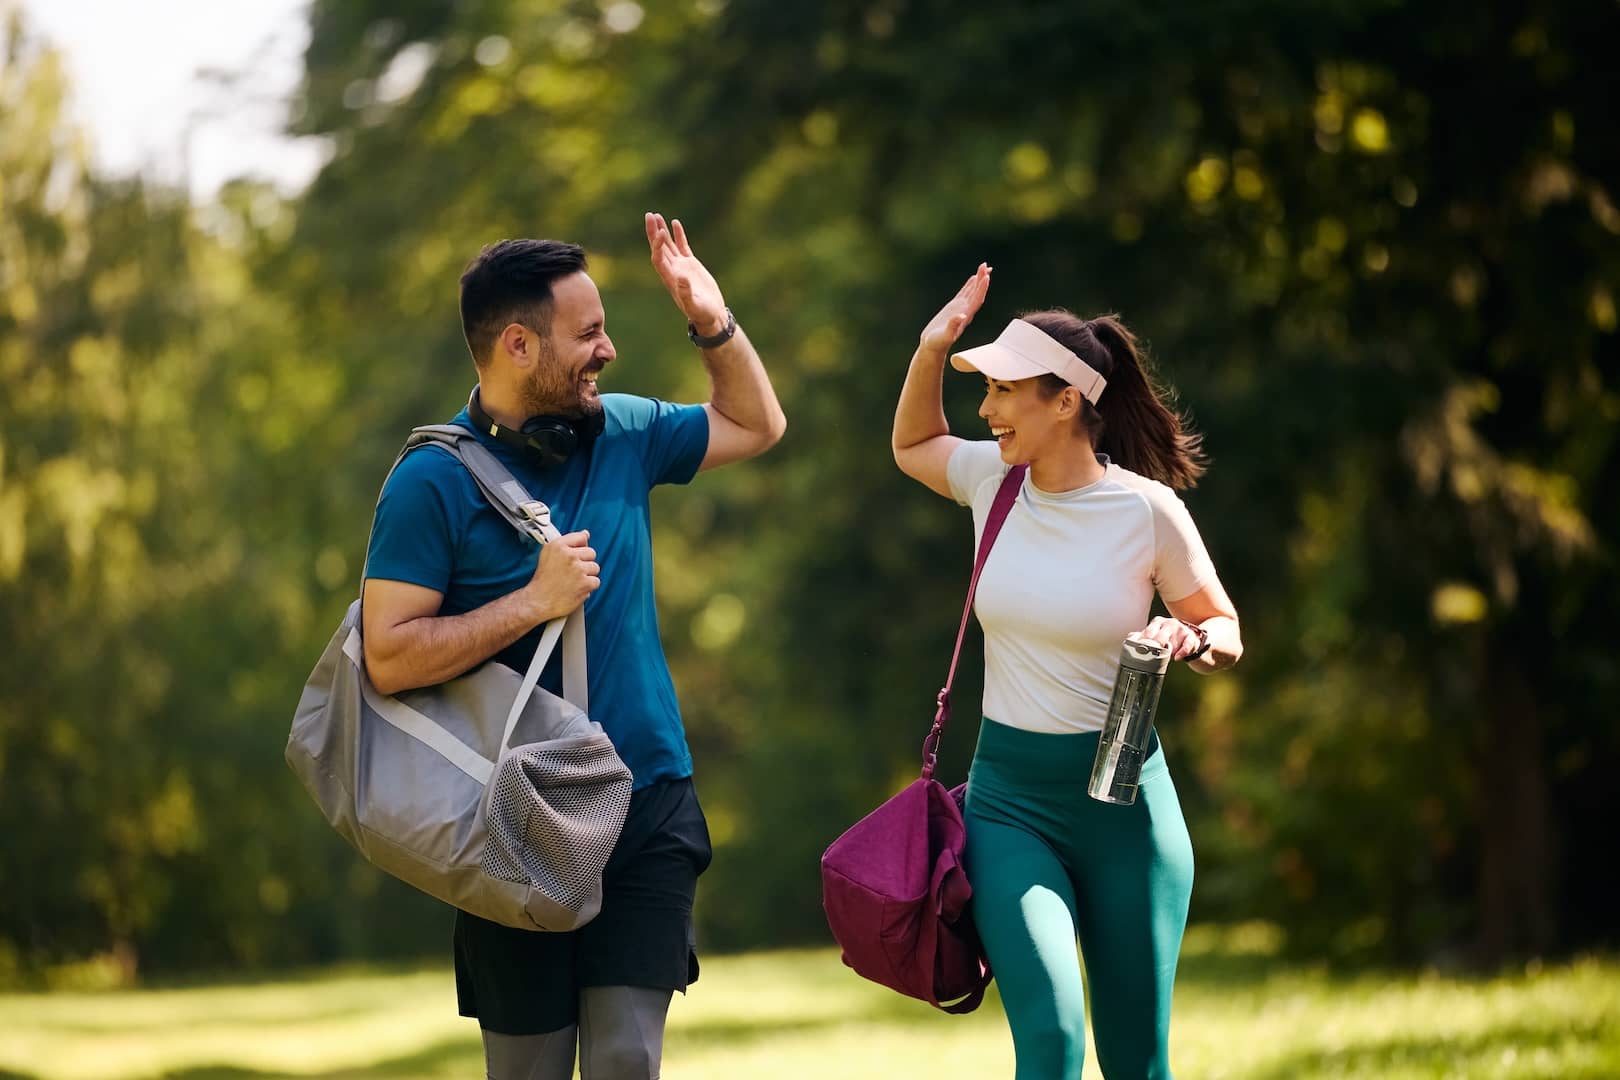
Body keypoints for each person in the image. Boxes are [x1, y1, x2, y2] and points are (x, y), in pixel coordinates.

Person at [360, 213, 785, 1079]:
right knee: (531, 1071)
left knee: (629, 1060)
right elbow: (388, 657)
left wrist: (712, 319)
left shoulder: (624, 433)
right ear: (518, 344)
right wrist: (530, 603)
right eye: (587, 333)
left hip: (648, 798)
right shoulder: (431, 482)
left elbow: (757, 425)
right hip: (515, 823)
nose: (609, 350)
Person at [891, 264, 1242, 1080]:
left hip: (1127, 813)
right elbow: (911, 443)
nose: (986, 411)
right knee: (1048, 1045)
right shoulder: (992, 483)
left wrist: (1188, 641)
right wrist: (930, 349)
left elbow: (1223, 626)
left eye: (1005, 390)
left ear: (1066, 400)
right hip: (1010, 804)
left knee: (1135, 1061)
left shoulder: (1147, 510)